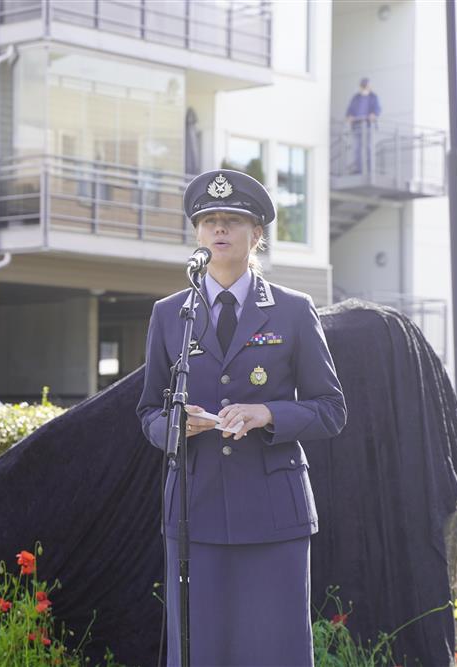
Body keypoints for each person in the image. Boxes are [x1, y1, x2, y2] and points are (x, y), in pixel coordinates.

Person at [136, 169, 347, 666]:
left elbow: (331, 409)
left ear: (257, 236)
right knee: (201, 648)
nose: (219, 230)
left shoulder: (294, 311)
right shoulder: (171, 314)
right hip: (195, 510)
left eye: (232, 220)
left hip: (273, 511)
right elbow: (148, 410)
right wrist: (176, 425)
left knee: (274, 649)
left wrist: (268, 412)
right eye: (208, 221)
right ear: (197, 235)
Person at [345, 77, 381, 174]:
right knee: (357, 148)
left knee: (368, 147)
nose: (365, 87)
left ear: (369, 86)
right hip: (357, 126)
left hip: (368, 126)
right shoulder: (356, 97)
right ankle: (359, 169)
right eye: (363, 86)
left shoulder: (373, 97)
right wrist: (349, 116)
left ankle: (369, 169)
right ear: (360, 86)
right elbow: (349, 110)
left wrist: (373, 115)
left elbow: (377, 109)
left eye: (366, 85)